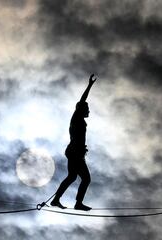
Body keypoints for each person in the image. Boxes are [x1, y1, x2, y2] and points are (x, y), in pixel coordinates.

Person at [51, 74, 97, 211]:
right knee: (86, 179)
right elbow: (82, 100)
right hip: (74, 152)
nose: (89, 111)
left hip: (75, 151)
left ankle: (56, 200)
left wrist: (83, 148)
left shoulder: (80, 120)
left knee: (72, 177)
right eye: (87, 109)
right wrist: (89, 86)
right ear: (81, 110)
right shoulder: (77, 117)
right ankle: (77, 203)